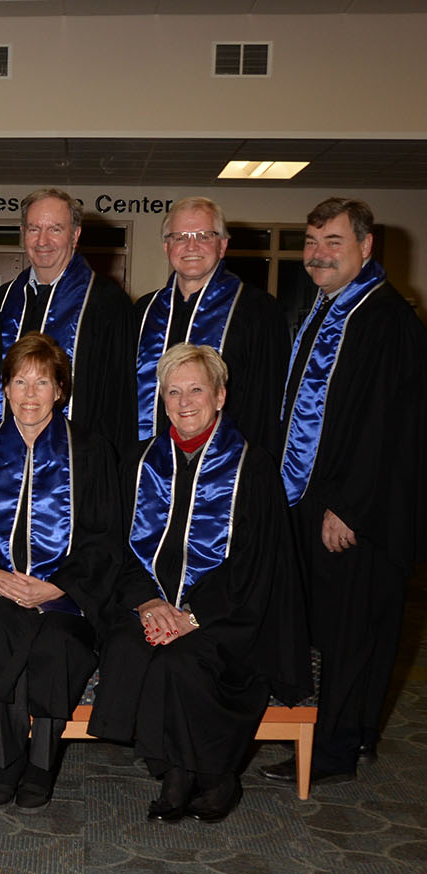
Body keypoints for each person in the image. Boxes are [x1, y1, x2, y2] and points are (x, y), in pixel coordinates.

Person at [91, 343, 307, 822]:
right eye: (173, 392)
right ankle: (175, 767)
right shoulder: (139, 462)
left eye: (196, 390)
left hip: (227, 616)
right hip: (148, 607)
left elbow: (257, 566)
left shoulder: (252, 467)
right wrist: (147, 603)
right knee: (131, 647)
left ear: (220, 395)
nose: (185, 402)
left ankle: (209, 773)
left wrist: (192, 616)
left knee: (181, 663)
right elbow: (113, 548)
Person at [261, 198, 427, 787]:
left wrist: (347, 507)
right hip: (318, 499)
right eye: (310, 242)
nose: (317, 254)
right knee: (331, 631)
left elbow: (389, 428)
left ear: (366, 246)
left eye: (332, 241)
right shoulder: (331, 310)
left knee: (352, 633)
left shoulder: (385, 320)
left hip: (355, 513)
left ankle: (333, 750)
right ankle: (346, 735)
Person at [0, 333, 120, 810]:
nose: (30, 394)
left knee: (54, 642)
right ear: (5, 388)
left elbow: (105, 536)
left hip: (66, 592)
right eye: (19, 381)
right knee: (3, 628)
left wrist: (58, 585)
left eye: (42, 382)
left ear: (60, 390)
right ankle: (10, 759)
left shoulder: (91, 451)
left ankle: (40, 763)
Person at [132, 196, 289, 455]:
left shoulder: (258, 311)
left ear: (223, 245)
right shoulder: (144, 312)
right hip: (151, 463)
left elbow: (267, 408)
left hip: (228, 470)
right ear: (166, 246)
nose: (191, 246)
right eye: (180, 237)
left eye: (204, 236)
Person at [0, 188, 135, 450]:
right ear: (23, 233)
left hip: (81, 461)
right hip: (6, 461)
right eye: (34, 228)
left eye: (55, 229)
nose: (43, 240)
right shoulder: (1, 303)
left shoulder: (108, 304)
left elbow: (119, 402)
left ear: (75, 235)